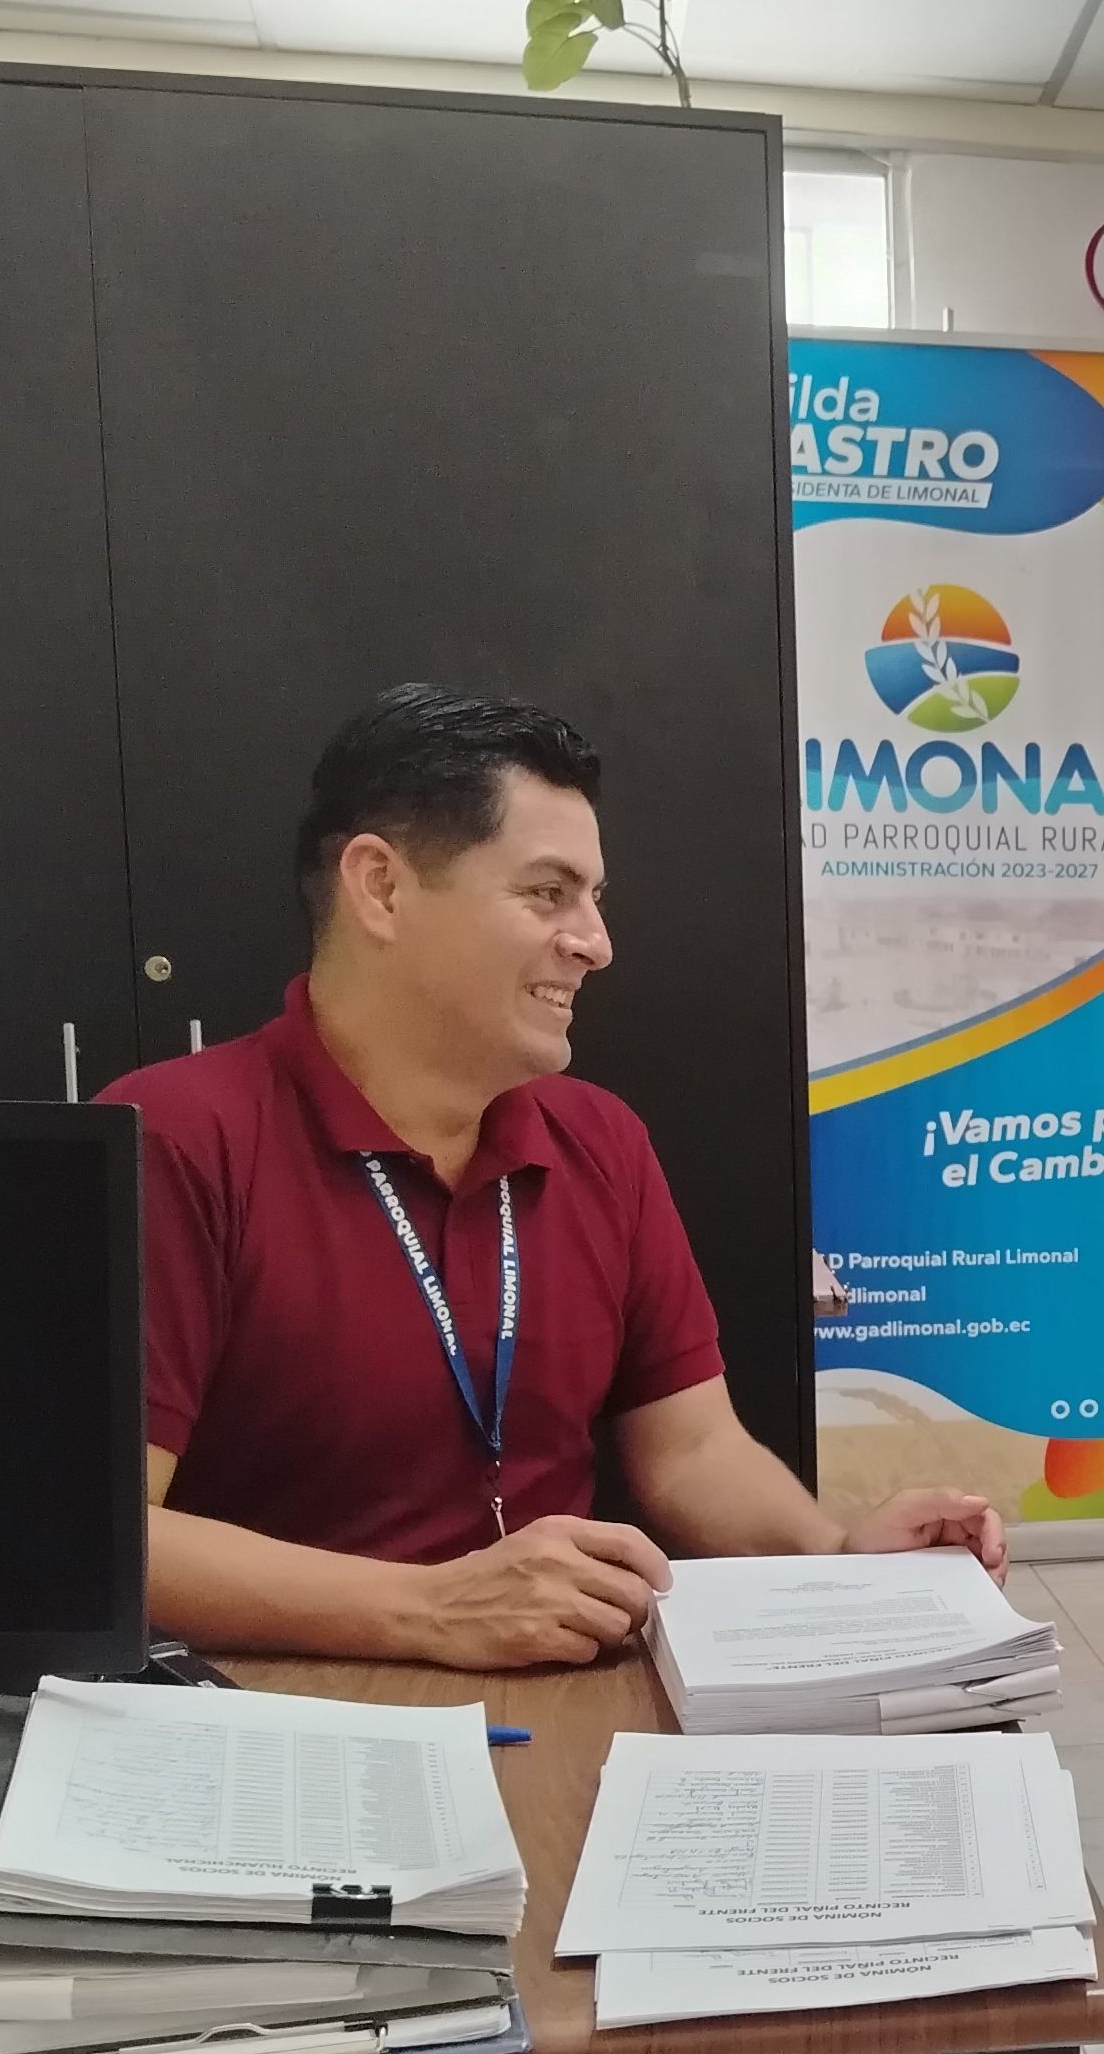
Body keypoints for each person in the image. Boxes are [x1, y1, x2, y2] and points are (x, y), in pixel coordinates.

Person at [103, 684, 1000, 1668]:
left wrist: (835, 1560)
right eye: (546, 893)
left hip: (561, 1694)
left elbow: (693, 1450)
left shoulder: (598, 1140)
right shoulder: (177, 1139)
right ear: (381, 888)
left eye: (594, 899)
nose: (594, 944)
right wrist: (430, 1610)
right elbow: (102, 1533)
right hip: (284, 1713)